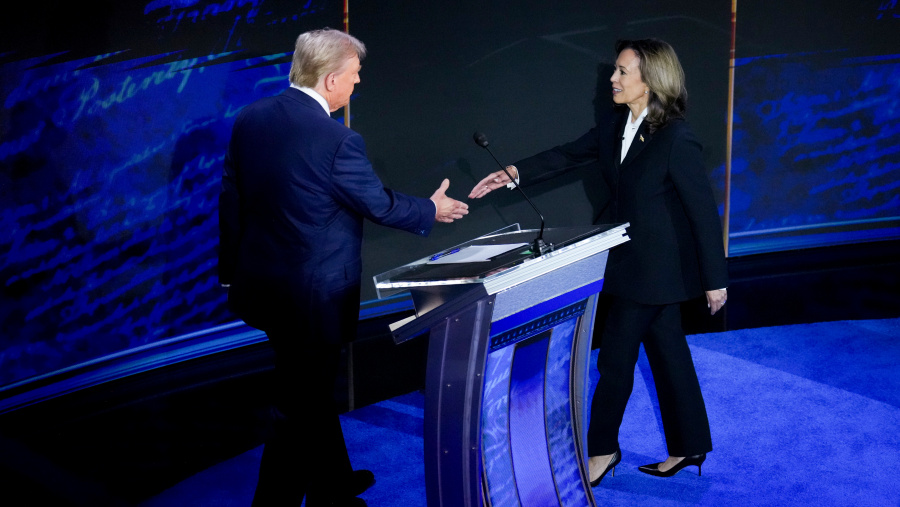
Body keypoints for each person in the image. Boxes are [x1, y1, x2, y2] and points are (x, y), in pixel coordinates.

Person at [219, 28, 469, 506]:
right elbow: (378, 204)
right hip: (313, 300)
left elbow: (231, 200)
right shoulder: (337, 140)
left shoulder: (251, 118)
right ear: (332, 80)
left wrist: (231, 272)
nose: (357, 84)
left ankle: (332, 485)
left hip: (264, 290)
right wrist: (431, 210)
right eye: (354, 76)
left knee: (307, 393)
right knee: (298, 405)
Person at [468, 38, 727, 485]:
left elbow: (702, 212)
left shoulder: (677, 138)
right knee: (669, 355)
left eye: (623, 72)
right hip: (626, 261)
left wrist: (715, 279)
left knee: (615, 361)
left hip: (654, 272)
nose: (613, 78)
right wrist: (513, 173)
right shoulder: (614, 126)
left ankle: (602, 451)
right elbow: (568, 155)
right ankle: (690, 447)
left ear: (650, 81)